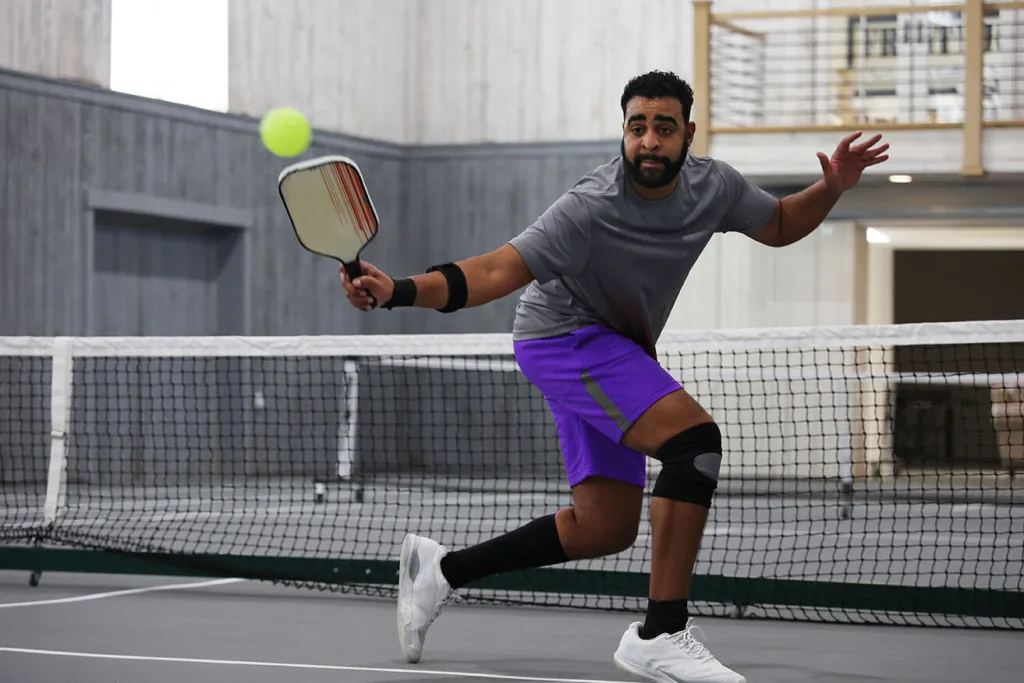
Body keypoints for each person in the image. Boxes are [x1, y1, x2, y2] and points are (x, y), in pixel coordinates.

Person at [340, 70, 889, 683]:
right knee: (695, 444)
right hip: (562, 337)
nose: (649, 141)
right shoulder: (589, 206)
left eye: (663, 127)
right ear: (623, 132)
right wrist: (397, 293)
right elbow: (496, 270)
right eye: (637, 127)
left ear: (688, 135)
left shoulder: (716, 188)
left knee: (604, 528)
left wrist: (833, 185)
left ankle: (441, 570)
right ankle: (662, 633)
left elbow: (782, 225)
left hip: (618, 348)